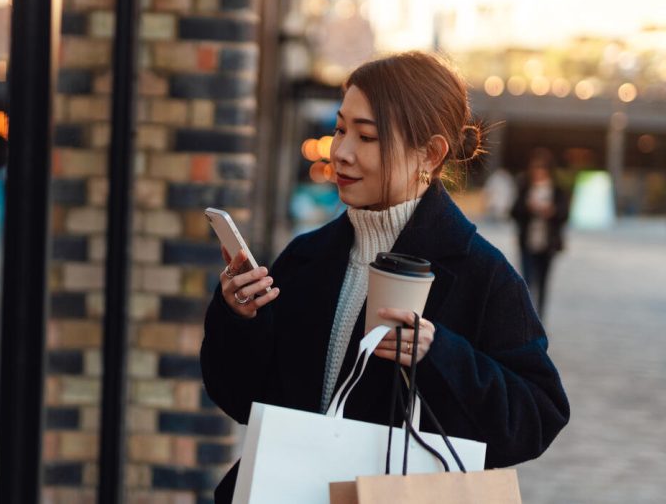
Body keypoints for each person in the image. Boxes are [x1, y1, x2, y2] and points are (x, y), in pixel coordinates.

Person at [202, 52, 570, 503]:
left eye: (367, 136)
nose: (341, 152)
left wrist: (440, 356)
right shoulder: (306, 257)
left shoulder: (482, 273)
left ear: (430, 154)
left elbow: (538, 416)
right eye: (340, 129)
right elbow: (242, 400)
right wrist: (241, 320)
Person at [510, 149, 569, 318]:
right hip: (527, 242)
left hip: (548, 243)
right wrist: (528, 208)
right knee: (526, 282)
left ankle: (540, 318)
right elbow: (514, 212)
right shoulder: (525, 187)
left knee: (543, 283)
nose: (538, 171)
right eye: (535, 167)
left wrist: (552, 211)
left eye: (541, 167)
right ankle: (526, 317)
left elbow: (565, 214)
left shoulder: (557, 190)